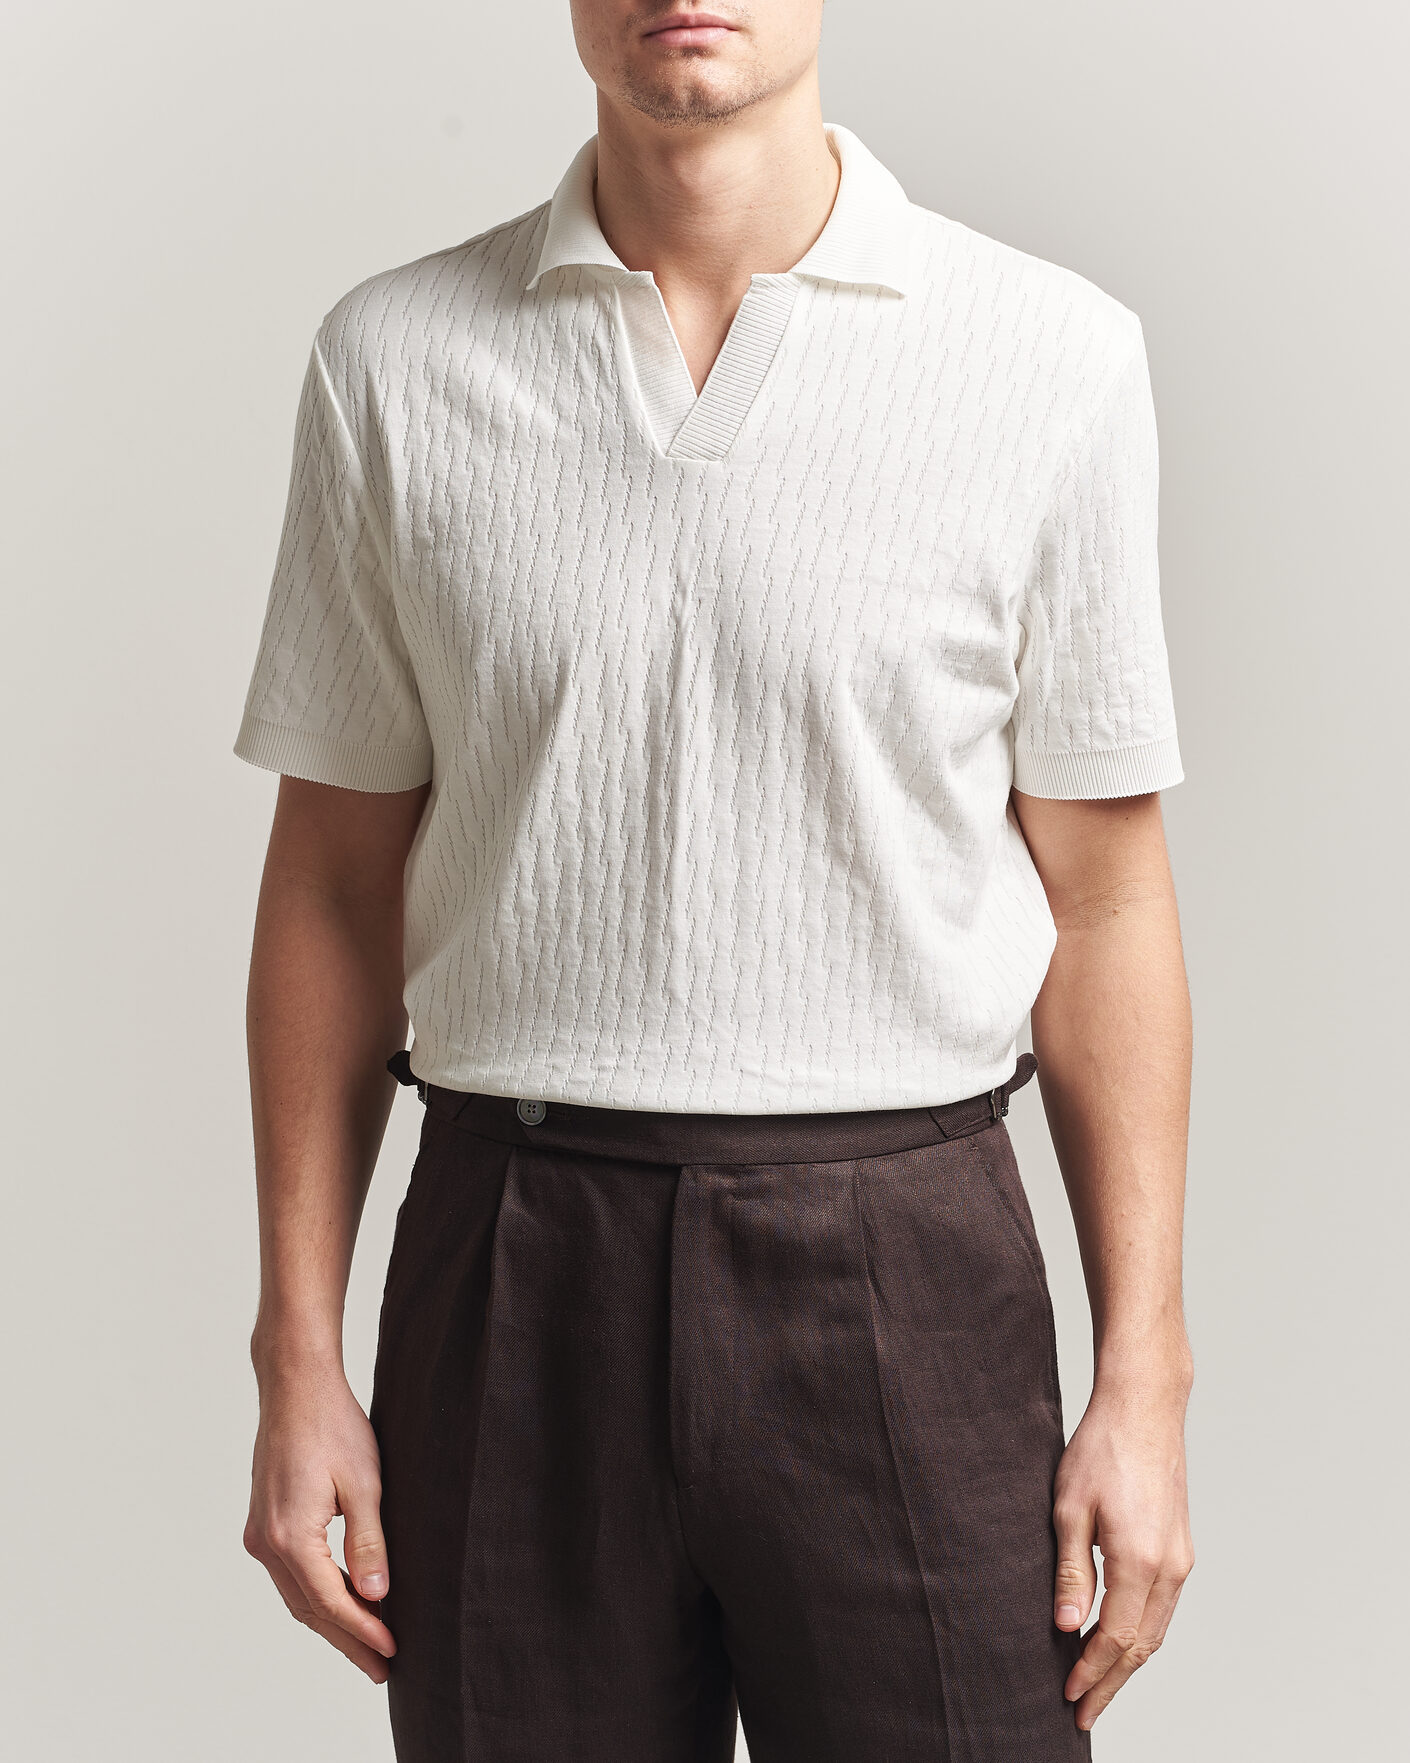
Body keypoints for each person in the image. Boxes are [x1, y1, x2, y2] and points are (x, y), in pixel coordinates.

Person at [233, 4, 1196, 1759]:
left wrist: (1146, 1375)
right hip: (516, 1259)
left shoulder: (1047, 356)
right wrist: (296, 1353)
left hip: (904, 1253)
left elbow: (1108, 899)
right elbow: (330, 886)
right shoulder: (393, 361)